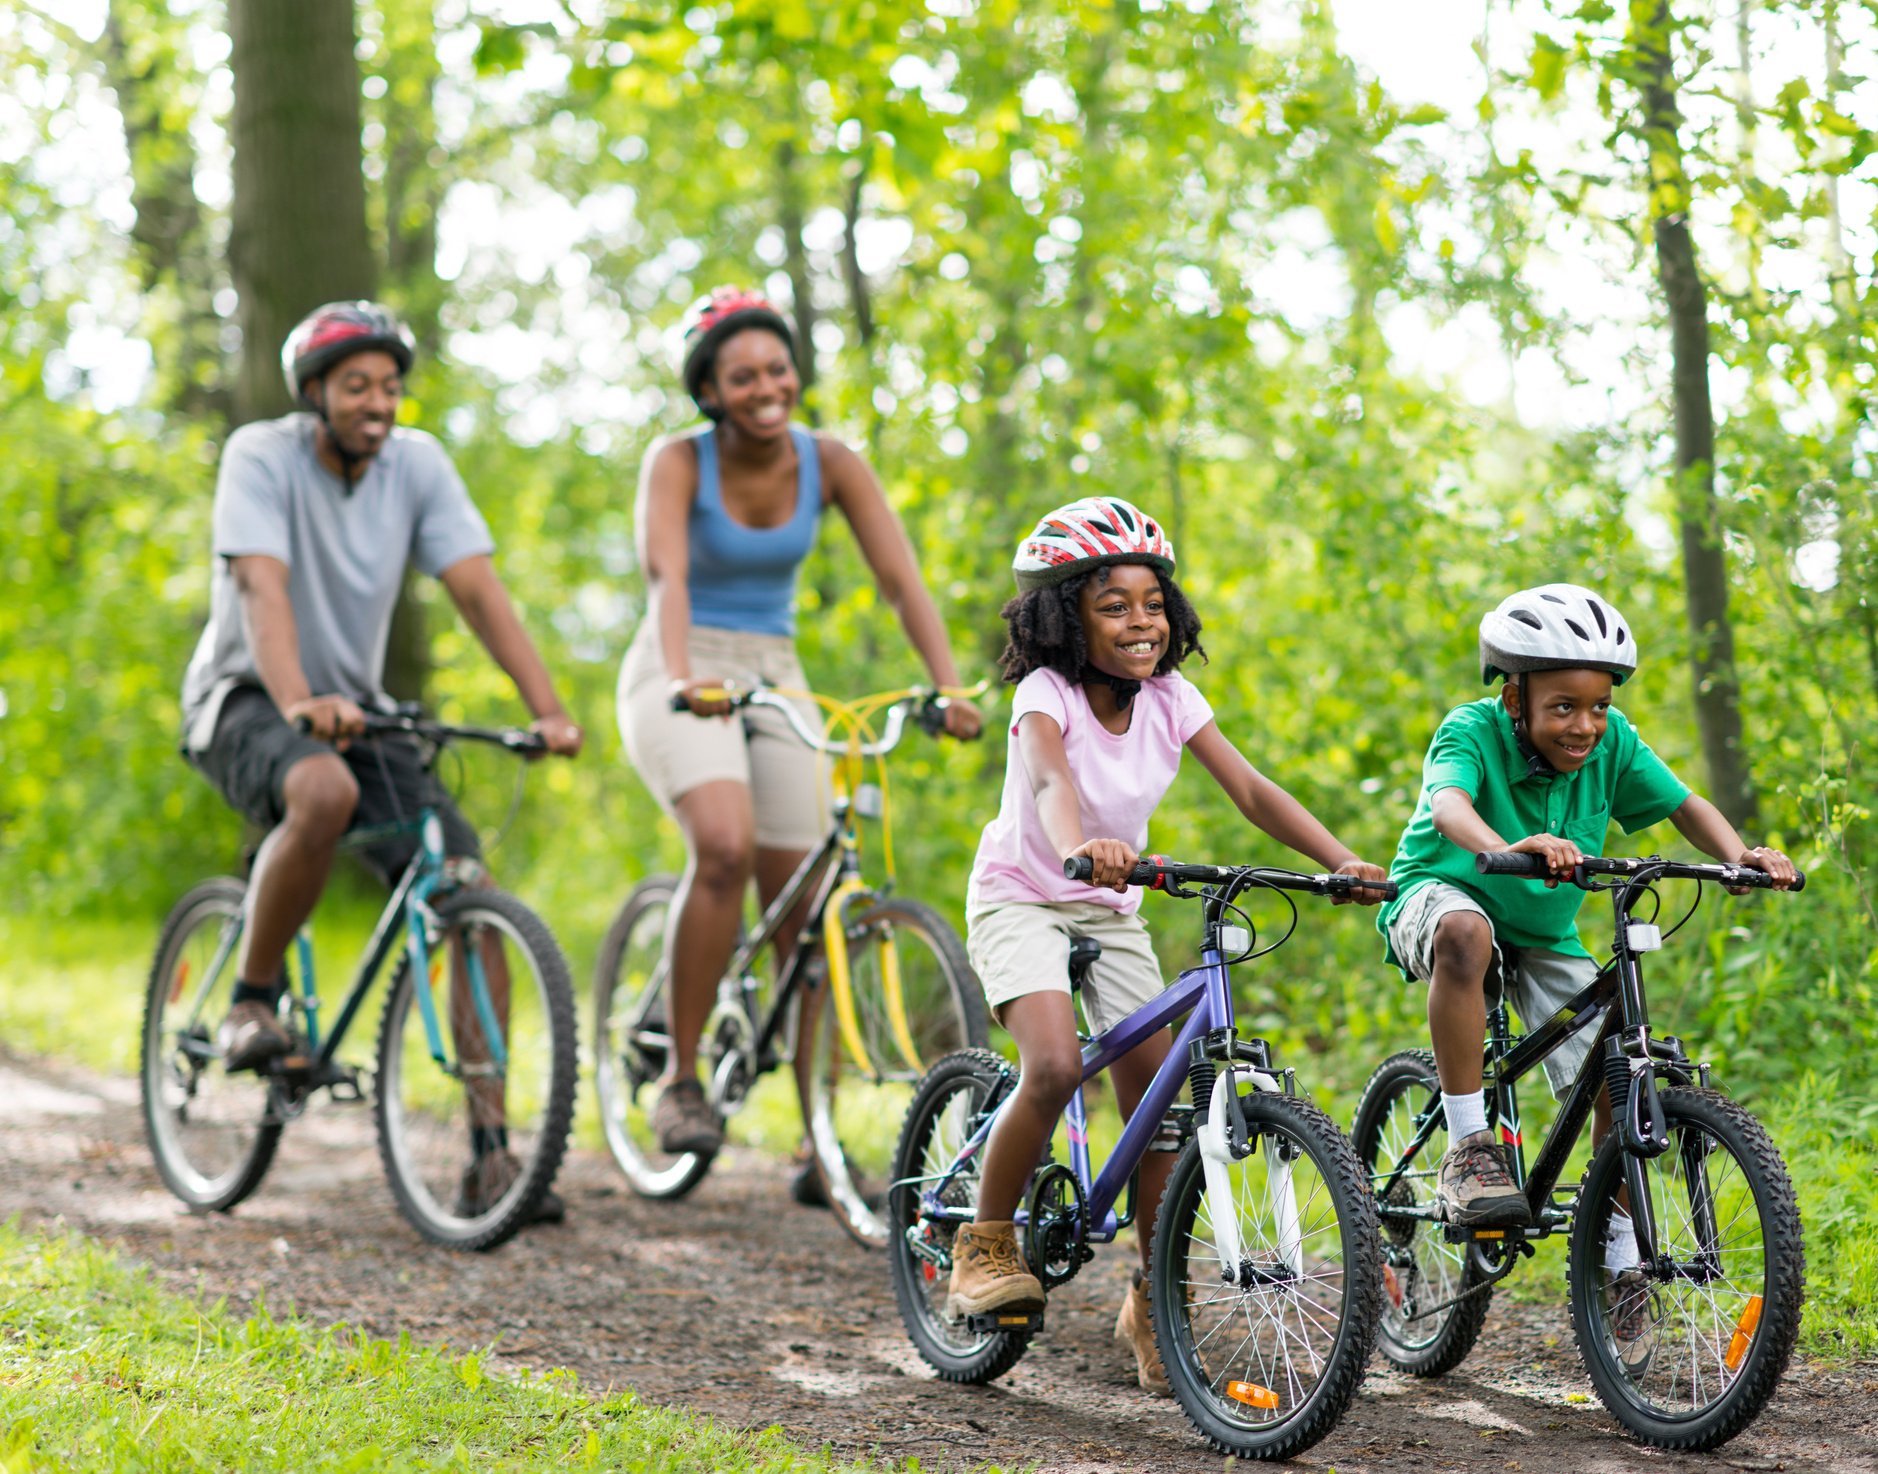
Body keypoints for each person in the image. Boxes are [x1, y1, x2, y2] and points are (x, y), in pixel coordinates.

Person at [944, 496, 1388, 1394]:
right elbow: (1047, 777)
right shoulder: (1046, 694)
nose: (1140, 622)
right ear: (1063, 617)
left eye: (1153, 604)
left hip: (1113, 908)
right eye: (1114, 606)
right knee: (1056, 1066)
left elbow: (1252, 790)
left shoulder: (1174, 697)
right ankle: (984, 1243)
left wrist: (1339, 860)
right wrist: (1080, 844)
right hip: (1025, 895)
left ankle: (1154, 1296)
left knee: (1160, 1108)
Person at [179, 300, 585, 1216]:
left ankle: (490, 1153)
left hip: (356, 711)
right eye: (357, 384)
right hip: (245, 696)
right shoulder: (261, 454)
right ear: (315, 392)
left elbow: (477, 590)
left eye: (391, 386)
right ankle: (250, 998)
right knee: (318, 790)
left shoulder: (419, 466)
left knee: (464, 885)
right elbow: (259, 585)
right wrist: (294, 701)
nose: (378, 401)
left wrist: (548, 710)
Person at [616, 287, 983, 1160]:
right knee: (725, 845)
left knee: (809, 905)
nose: (765, 386)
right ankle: (680, 1078)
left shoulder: (831, 462)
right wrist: (681, 678)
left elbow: (899, 581)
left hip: (775, 668)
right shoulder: (677, 462)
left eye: (777, 368)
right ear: (709, 391)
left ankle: (818, 1135)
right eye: (741, 376)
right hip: (680, 662)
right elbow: (667, 580)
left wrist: (949, 686)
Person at [1375, 583, 1797, 1336]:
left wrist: (1741, 855)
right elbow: (1448, 808)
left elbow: (1683, 805)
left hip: (1542, 931)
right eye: (1563, 706)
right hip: (1441, 896)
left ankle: (1621, 1248)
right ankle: (1471, 1145)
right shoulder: (1470, 730)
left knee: (1618, 1072)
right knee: (1467, 935)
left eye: (1598, 705)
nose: (1585, 725)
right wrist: (1505, 849)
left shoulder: (1613, 744)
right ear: (1515, 695)